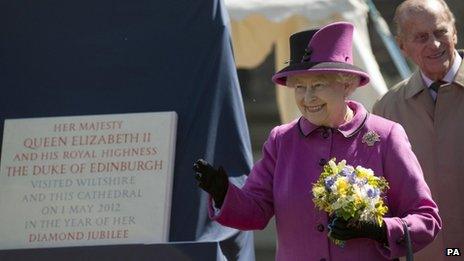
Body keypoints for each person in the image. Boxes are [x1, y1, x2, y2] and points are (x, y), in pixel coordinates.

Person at [194, 22, 441, 260]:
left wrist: (378, 229)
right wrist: (223, 193)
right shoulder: (282, 141)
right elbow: (255, 212)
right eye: (300, 87)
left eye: (318, 84)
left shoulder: (385, 136)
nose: (308, 97)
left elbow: (426, 219)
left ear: (347, 85)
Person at [373, 0, 464, 260]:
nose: (434, 44)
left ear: (454, 31)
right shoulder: (386, 109)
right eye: (421, 37)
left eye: (440, 32)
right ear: (402, 46)